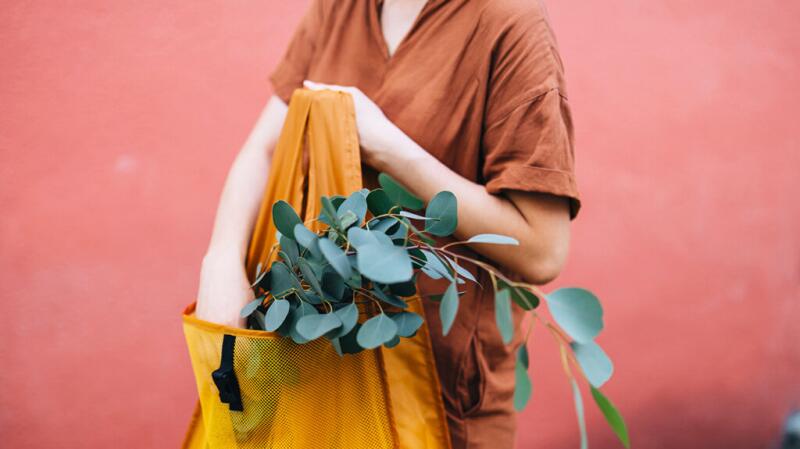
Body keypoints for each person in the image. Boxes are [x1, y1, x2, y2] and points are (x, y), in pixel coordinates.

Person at [196, 0, 581, 447]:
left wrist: (387, 148)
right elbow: (264, 148)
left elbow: (543, 249)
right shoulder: (340, 8)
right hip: (317, 369)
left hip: (437, 398)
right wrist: (220, 262)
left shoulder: (507, 20)